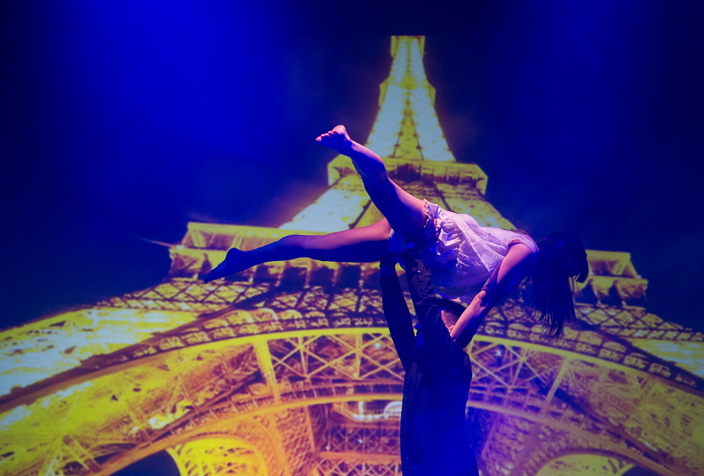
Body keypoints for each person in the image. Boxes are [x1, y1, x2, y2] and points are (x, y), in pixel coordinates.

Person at [204, 125, 590, 345]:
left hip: (420, 244)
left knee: (316, 248)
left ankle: (246, 258)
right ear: (560, 258)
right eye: (570, 272)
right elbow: (484, 298)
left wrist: (446, 333)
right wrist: (454, 345)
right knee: (383, 190)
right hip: (432, 230)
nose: (566, 281)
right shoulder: (529, 254)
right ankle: (348, 144)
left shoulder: (523, 260)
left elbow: (470, 295)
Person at [379, 246, 484, 476]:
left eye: (438, 320)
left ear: (454, 328)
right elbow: (399, 322)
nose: (424, 325)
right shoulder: (420, 364)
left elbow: (424, 310)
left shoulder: (452, 360)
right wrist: (385, 269)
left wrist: (412, 257)